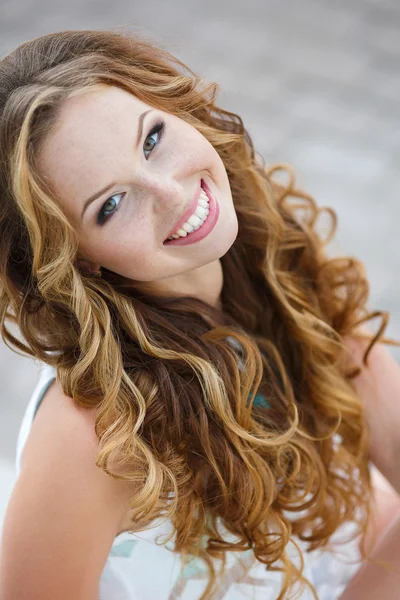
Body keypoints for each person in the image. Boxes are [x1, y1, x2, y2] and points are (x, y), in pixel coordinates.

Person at [0, 28, 399, 600]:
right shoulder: (94, 431)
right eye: (111, 205)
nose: (172, 193)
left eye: (152, 138)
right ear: (75, 263)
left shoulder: (272, 259)